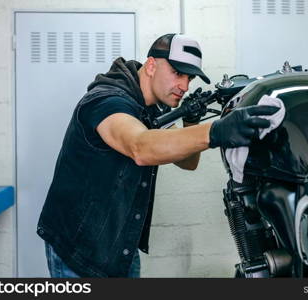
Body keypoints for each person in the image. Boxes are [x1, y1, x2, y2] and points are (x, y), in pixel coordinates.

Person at [36, 33, 279, 278]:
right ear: (151, 65)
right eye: (177, 73)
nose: (184, 86)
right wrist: (216, 131)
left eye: (189, 78)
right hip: (79, 248)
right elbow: (141, 147)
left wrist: (190, 120)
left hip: (120, 246)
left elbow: (187, 162)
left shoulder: (152, 109)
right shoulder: (106, 102)